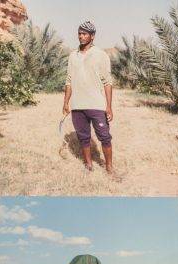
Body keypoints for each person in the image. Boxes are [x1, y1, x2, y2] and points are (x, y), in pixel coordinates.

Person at [62, 20, 118, 178]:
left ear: (92, 36)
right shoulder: (73, 56)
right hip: (77, 105)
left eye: (84, 34)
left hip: (96, 105)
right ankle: (88, 165)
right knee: (83, 137)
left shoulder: (101, 55)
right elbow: (68, 81)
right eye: (79, 33)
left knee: (104, 136)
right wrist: (66, 102)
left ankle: (109, 167)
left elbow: (108, 83)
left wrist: (109, 106)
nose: (81, 36)